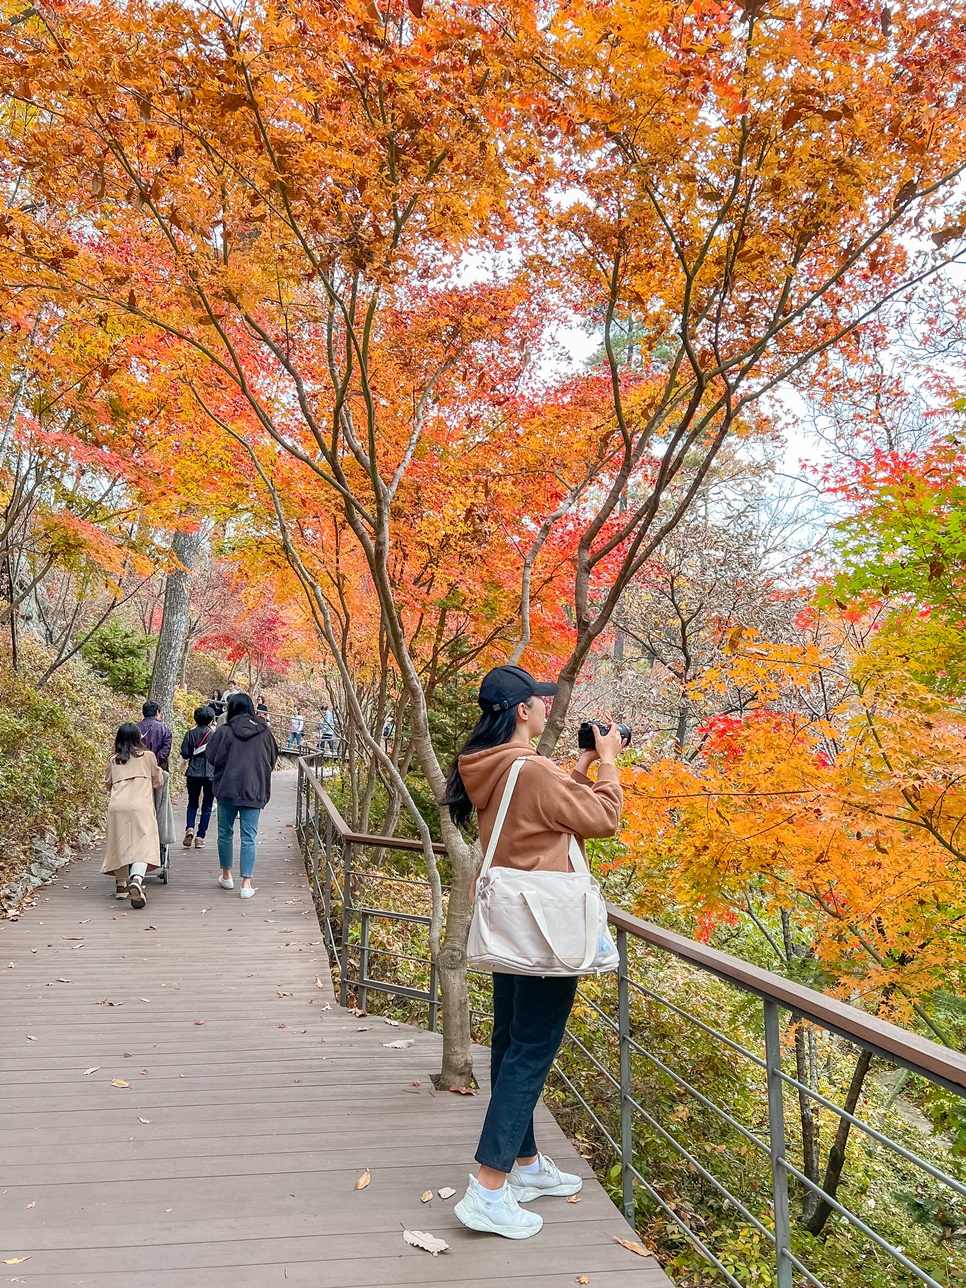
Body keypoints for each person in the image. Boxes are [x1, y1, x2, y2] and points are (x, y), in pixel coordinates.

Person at [445, 664, 624, 1240]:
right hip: (547, 925)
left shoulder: (495, 766)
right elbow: (602, 819)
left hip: (513, 922)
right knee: (532, 1049)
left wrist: (578, 768)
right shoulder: (531, 769)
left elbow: (536, 812)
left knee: (509, 1040)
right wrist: (610, 762)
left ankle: (523, 1167)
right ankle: (488, 1189)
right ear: (522, 711)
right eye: (541, 702)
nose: (549, 708)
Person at [204, 692, 279, 899]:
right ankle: (246, 884)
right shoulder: (264, 732)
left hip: (227, 788)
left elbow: (210, 756)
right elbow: (272, 758)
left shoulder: (224, 731)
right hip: (254, 790)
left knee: (225, 832)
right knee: (249, 837)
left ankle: (226, 876)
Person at [102, 723, 164, 909]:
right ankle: (136, 878)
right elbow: (157, 781)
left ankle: (120, 887)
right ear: (139, 738)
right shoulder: (148, 757)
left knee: (119, 842)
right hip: (140, 805)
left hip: (118, 806)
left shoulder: (113, 759)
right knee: (143, 842)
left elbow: (108, 784)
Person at [180, 705, 216, 849]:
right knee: (207, 806)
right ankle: (200, 837)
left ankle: (190, 828)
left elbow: (185, 753)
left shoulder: (190, 733)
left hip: (193, 772)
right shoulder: (214, 735)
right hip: (209, 773)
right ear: (211, 719)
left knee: (192, 803)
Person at [137, 700, 172, 771]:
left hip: (138, 767)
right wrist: (154, 760)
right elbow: (165, 751)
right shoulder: (164, 730)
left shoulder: (135, 728)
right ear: (157, 712)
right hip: (157, 768)